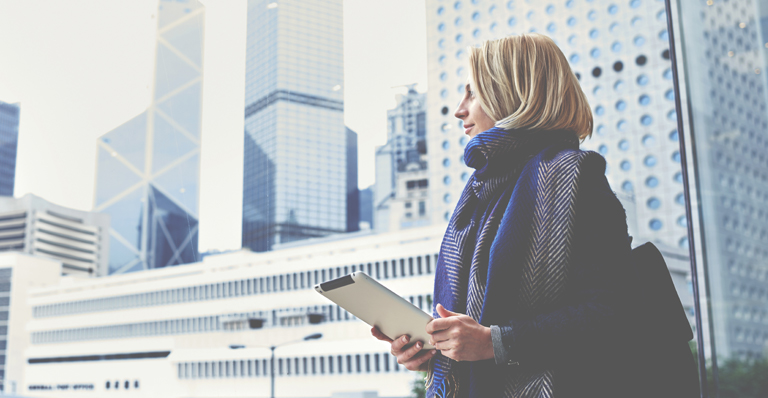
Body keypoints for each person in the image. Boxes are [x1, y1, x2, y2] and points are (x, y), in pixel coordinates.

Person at [372, 33, 644, 397]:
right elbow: (477, 318)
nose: (459, 109)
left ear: (512, 94)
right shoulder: (481, 191)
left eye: (472, 93)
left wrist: (495, 344)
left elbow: (613, 314)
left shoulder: (575, 177)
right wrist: (434, 346)